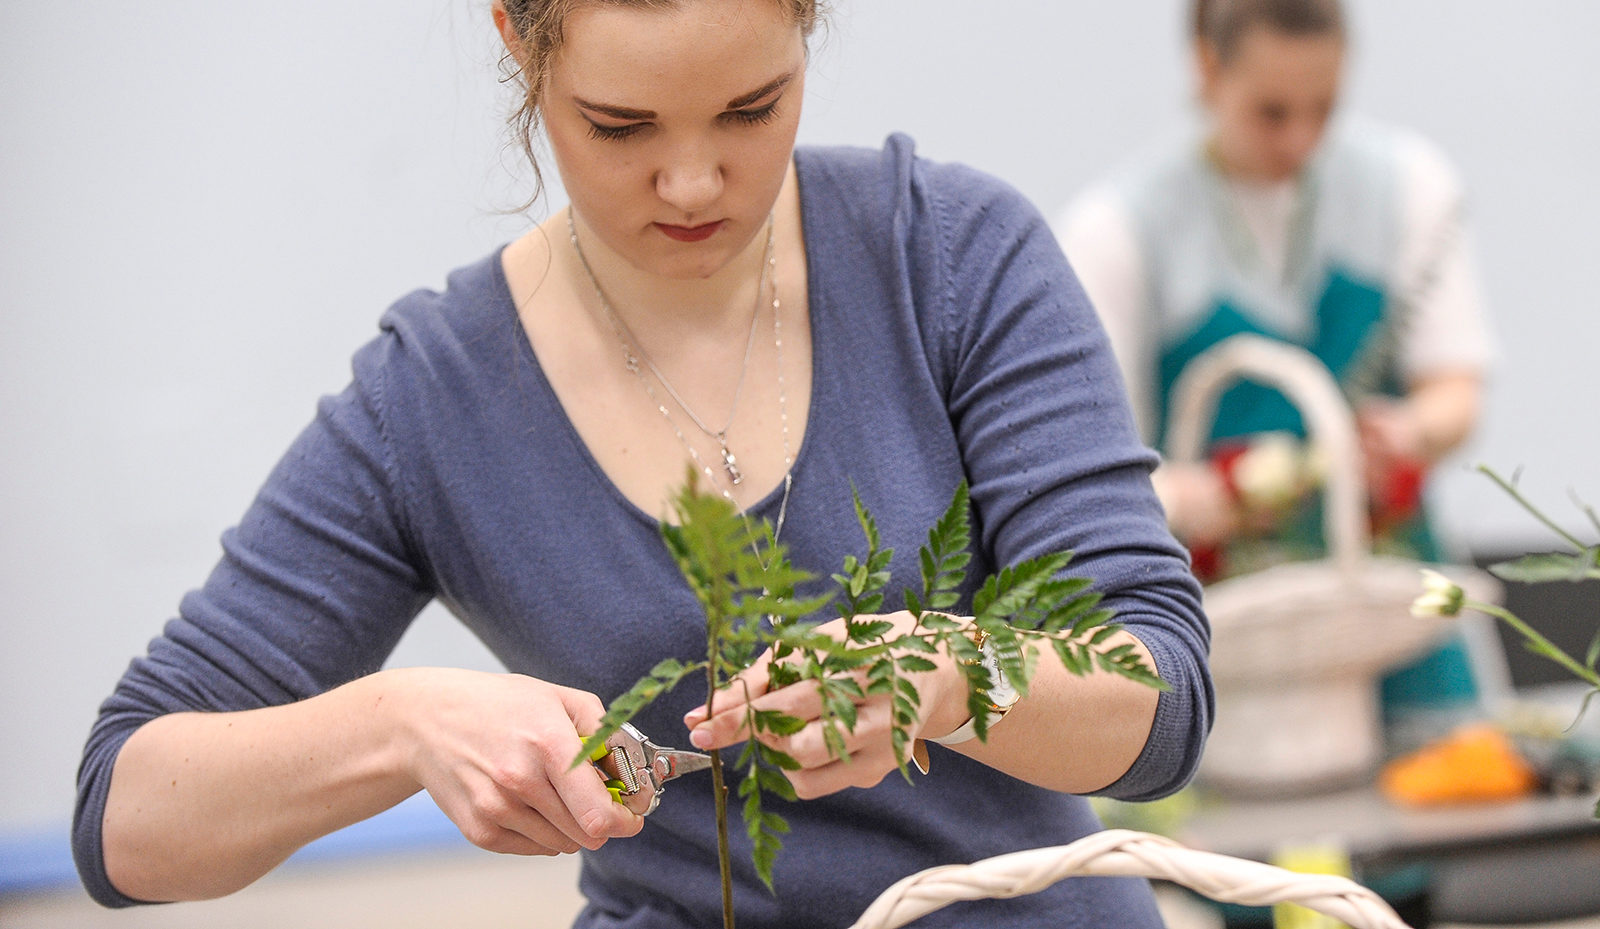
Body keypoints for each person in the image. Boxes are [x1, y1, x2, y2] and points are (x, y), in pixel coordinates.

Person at [73, 2, 1212, 927]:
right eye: (620, 126)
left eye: (750, 110)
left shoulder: (950, 258)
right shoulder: (432, 397)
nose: (693, 184)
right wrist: (399, 724)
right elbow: (125, 817)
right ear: (516, 41)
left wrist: (951, 673)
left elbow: (1160, 697)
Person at [1054, 0, 1494, 715]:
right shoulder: (1117, 233)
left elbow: (1455, 390)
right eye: (1272, 112)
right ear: (1207, 66)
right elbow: (1091, 474)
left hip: (1398, 619)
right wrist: (1193, 497)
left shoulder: (1408, 186)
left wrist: (1411, 432)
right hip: (1228, 635)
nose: (1301, 140)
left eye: (1324, 107)